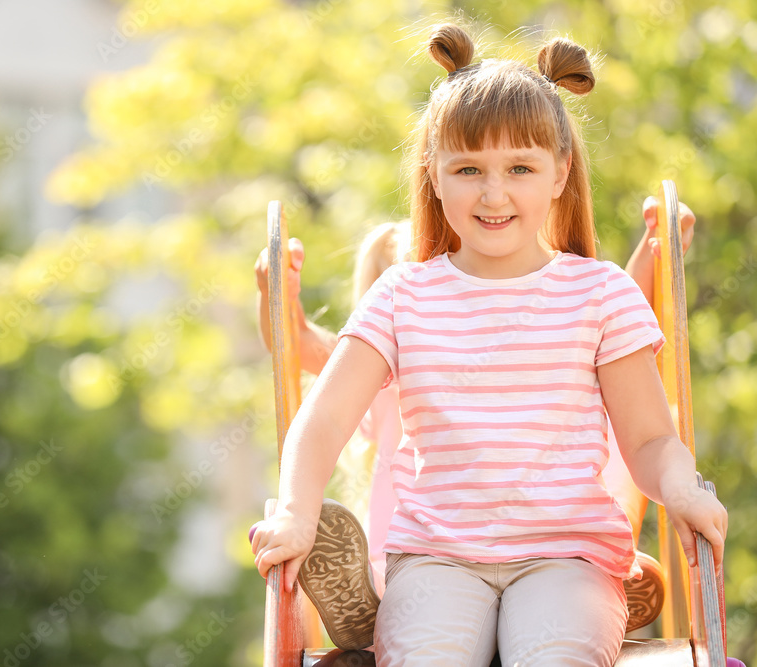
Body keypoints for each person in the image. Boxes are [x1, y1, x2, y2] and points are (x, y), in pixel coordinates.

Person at [250, 24, 726, 666]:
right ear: (435, 176)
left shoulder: (600, 292)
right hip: (437, 556)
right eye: (468, 169)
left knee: (553, 655)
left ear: (560, 174)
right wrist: (296, 515)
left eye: (520, 169)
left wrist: (684, 487)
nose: (494, 193)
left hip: (568, 554)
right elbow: (326, 417)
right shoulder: (402, 294)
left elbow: (646, 440)